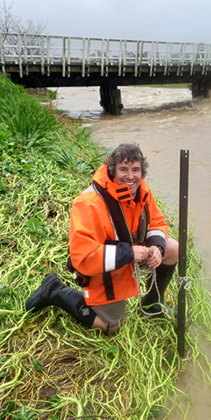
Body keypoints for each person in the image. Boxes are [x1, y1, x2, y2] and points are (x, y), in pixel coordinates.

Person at [25, 143, 178, 334]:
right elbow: (83, 256)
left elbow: (156, 222)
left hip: (130, 255)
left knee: (171, 248)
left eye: (136, 170)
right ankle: (56, 291)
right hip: (101, 269)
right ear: (113, 171)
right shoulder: (88, 203)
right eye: (124, 169)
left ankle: (151, 306)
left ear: (142, 172)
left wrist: (156, 247)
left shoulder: (143, 191)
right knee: (111, 326)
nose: (130, 177)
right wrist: (130, 253)